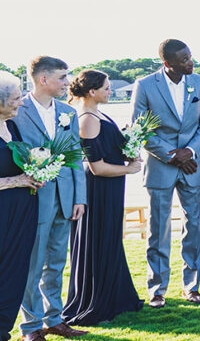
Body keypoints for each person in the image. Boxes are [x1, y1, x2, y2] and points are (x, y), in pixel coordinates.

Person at [131, 39, 200, 307]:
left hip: (192, 165)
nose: (191, 62)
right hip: (160, 166)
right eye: (184, 60)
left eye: (190, 56)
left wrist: (189, 151)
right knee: (158, 229)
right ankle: (157, 289)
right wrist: (172, 155)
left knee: (193, 226)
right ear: (167, 63)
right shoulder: (145, 85)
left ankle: (192, 286)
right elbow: (140, 128)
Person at [14, 56, 88, 340]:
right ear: (43, 79)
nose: (67, 83)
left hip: (66, 198)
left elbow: (75, 156)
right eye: (62, 77)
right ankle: (30, 327)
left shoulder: (68, 112)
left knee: (56, 263)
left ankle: (54, 319)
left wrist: (79, 197)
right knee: (32, 265)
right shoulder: (17, 109)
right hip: (33, 197)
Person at [62, 70, 145, 325]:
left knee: (110, 239)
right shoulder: (87, 119)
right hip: (98, 188)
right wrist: (129, 169)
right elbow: (96, 167)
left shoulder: (99, 114)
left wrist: (129, 149)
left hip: (111, 186)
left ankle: (116, 296)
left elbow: (109, 150)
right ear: (92, 91)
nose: (110, 91)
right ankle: (97, 300)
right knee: (99, 239)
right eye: (107, 88)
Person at [0, 71, 43, 341]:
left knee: (14, 275)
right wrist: (16, 181)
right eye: (17, 98)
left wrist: (36, 174)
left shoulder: (12, 127)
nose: (22, 102)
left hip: (21, 214)